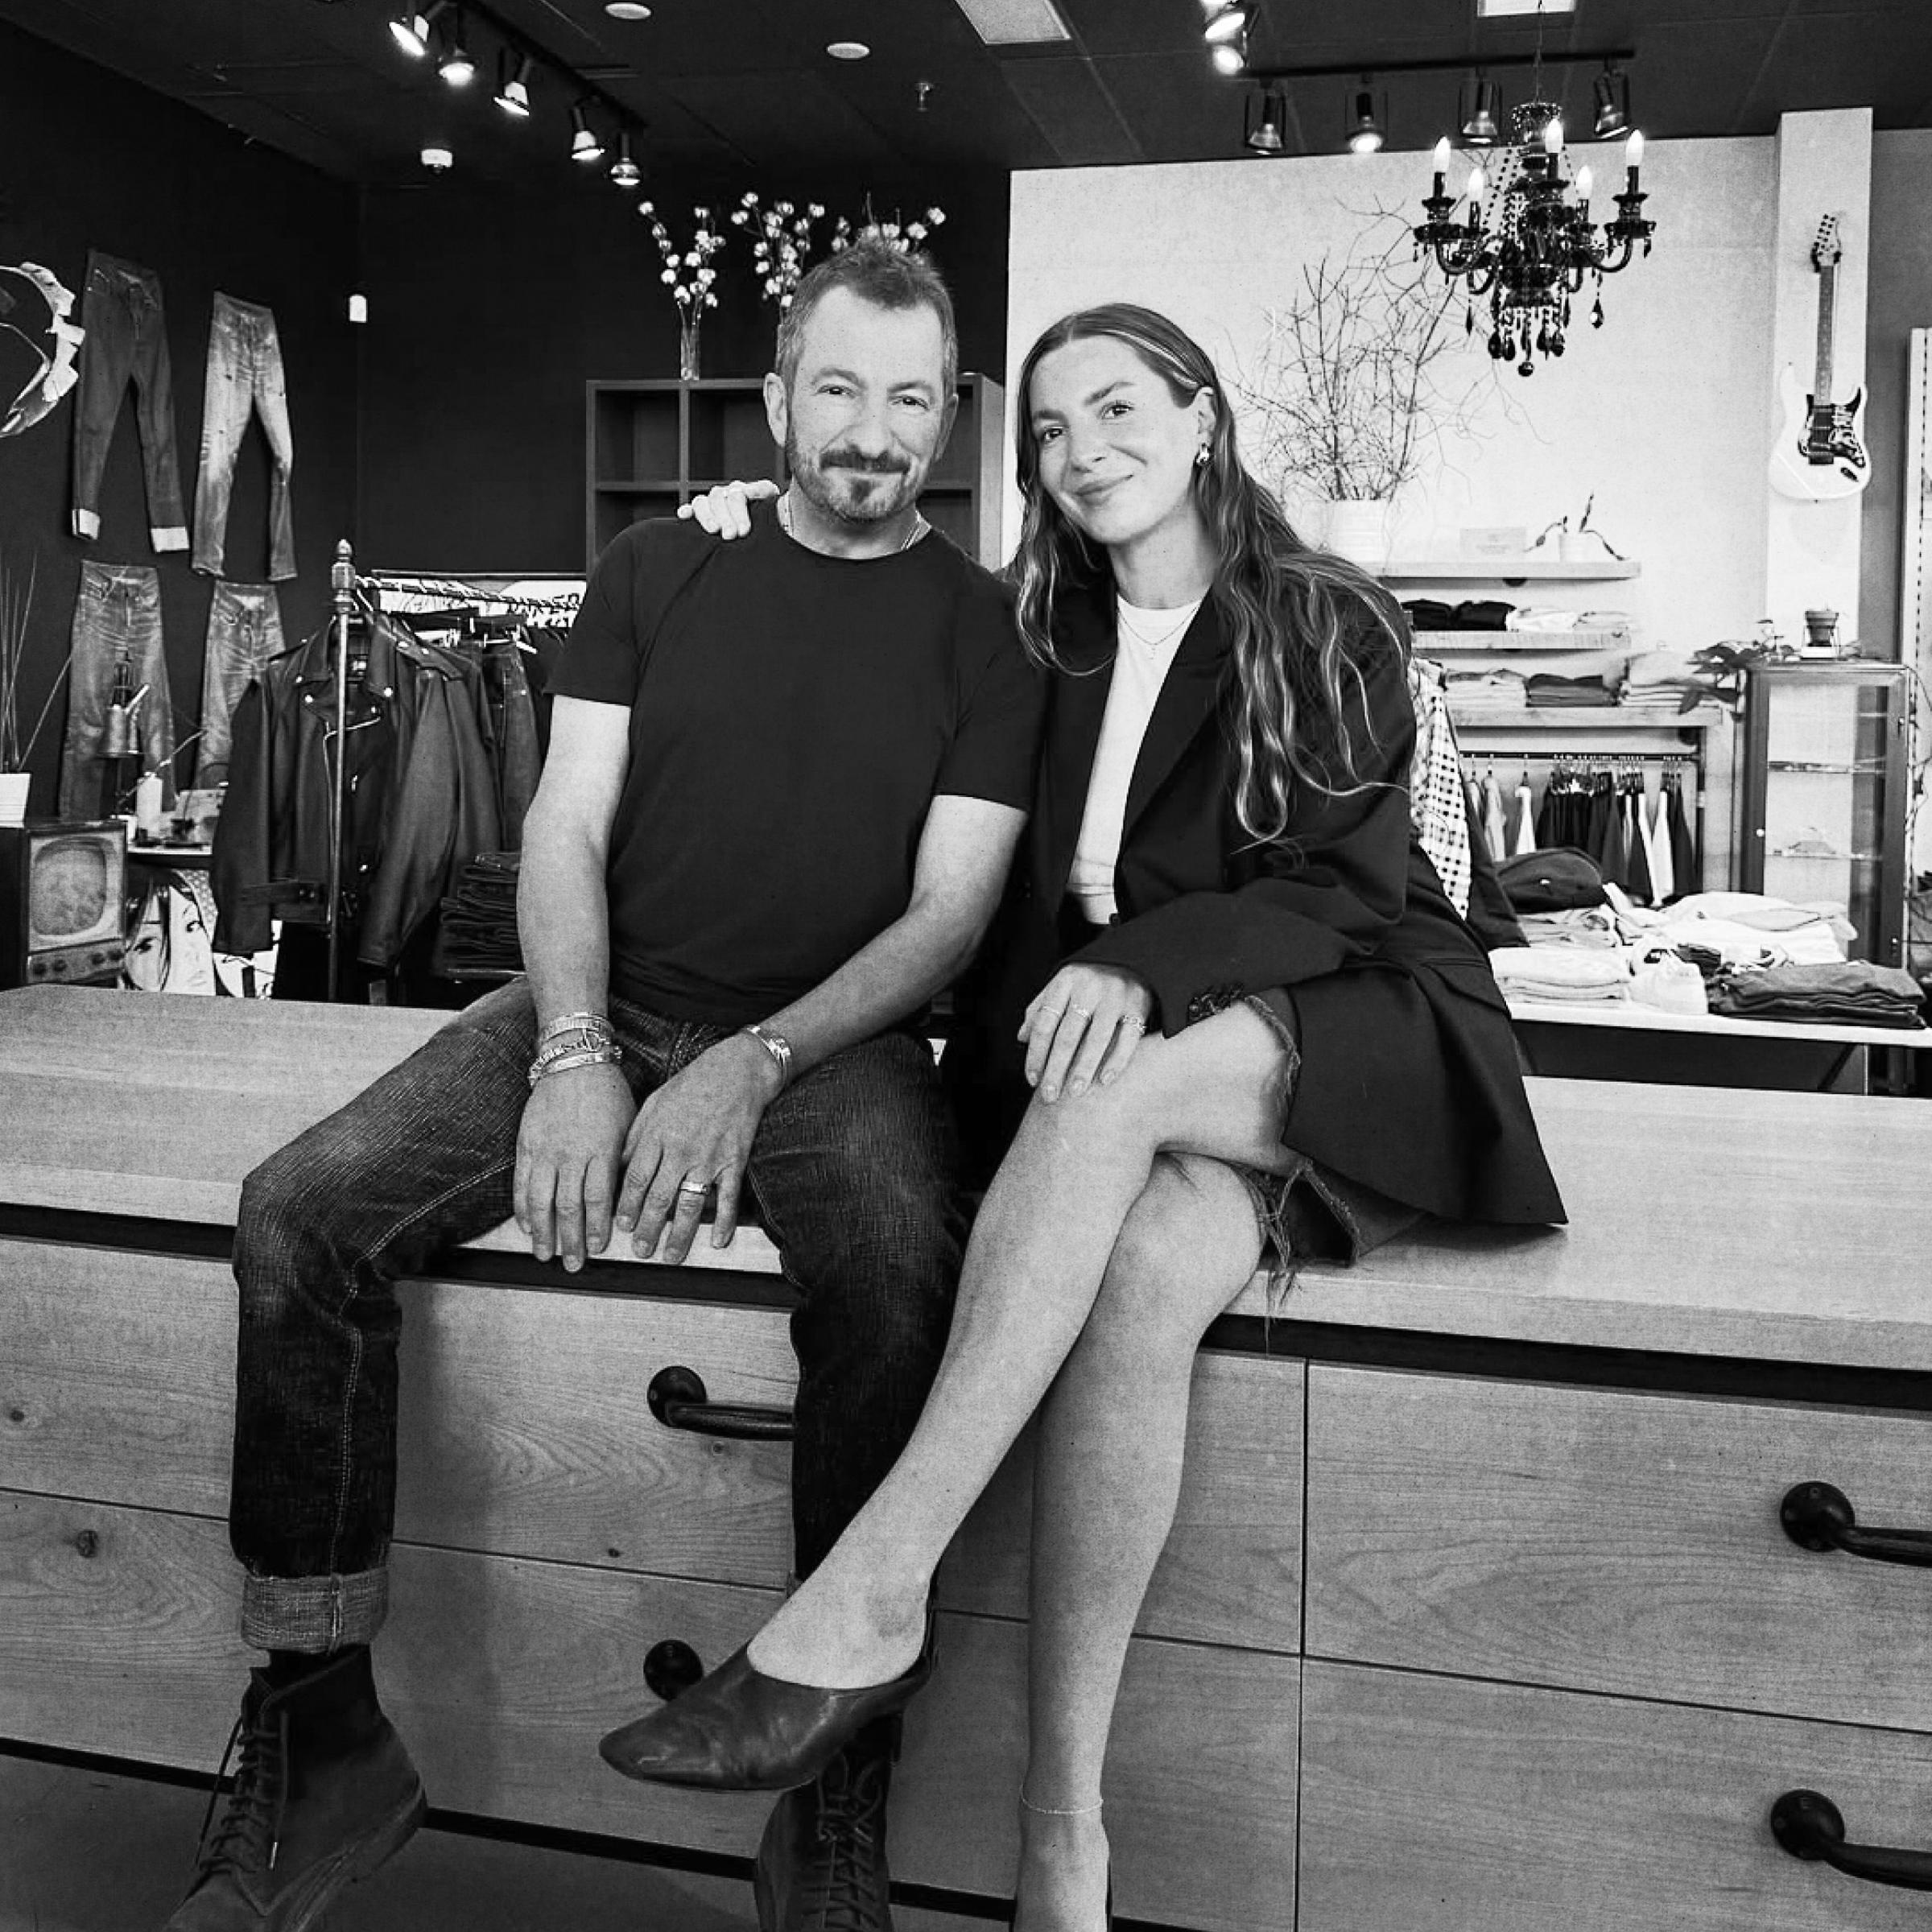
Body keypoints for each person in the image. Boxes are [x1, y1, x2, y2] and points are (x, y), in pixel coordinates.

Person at [596, 303, 1567, 1930]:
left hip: (1352, 1012)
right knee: (1132, 1293)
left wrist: (1143, 969)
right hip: (1139, 1070)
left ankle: (872, 1587)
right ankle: (1066, 1853)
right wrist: (726, 531)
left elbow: (1346, 887)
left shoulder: (1323, 617)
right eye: (1046, 430)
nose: (1080, 453)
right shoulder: (1034, 628)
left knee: (1110, 1079)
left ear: (1200, 418)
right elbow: (858, 637)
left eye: (1115, 411)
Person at [165, 240, 1045, 1932]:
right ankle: (319, 1722)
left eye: (912, 399)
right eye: (841, 389)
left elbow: (948, 920)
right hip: (598, 993)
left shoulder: (985, 636)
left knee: (895, 1252)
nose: (872, 432)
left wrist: (758, 1057)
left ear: (952, 422)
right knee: (299, 1214)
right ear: (781, 398)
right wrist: (574, 1051)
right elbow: (560, 825)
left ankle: (836, 1779)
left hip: (828, 1044)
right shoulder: (656, 567)